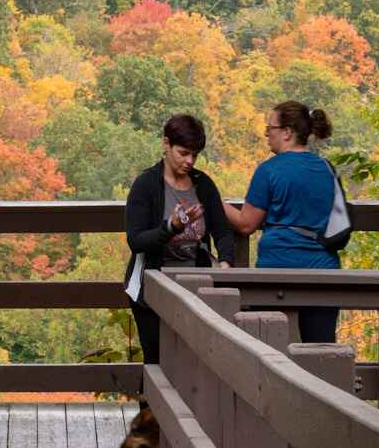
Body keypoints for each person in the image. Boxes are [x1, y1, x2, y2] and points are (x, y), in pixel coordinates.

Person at [224, 102, 345, 343]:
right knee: (320, 352)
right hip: (324, 272)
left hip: (277, 272)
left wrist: (213, 200)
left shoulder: (269, 171)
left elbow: (246, 224)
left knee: (269, 351)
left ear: (288, 132)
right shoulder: (326, 168)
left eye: (271, 128)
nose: (266, 133)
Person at [123, 113, 236, 365]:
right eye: (183, 153)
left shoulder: (203, 185)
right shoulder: (146, 185)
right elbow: (136, 240)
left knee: (193, 361)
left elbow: (222, 231)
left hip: (196, 287)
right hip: (151, 287)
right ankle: (148, 405)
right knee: (157, 362)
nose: (189, 161)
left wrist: (226, 264)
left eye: (194, 155)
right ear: (166, 144)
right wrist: (171, 227)